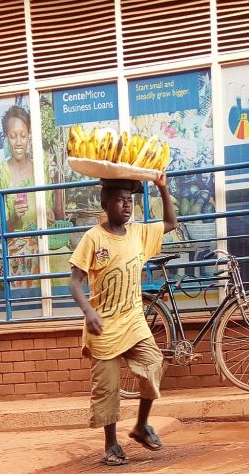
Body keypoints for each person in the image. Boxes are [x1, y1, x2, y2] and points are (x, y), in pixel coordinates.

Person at [69, 175, 178, 466]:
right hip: (103, 326)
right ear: (105, 204)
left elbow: (170, 223)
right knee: (107, 390)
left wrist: (162, 188)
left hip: (133, 320)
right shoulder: (93, 238)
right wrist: (88, 312)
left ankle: (141, 426)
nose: (127, 205)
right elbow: (74, 282)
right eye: (119, 199)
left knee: (153, 363)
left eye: (130, 200)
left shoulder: (139, 234)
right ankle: (111, 444)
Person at [0, 105, 54, 289]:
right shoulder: (0, 173)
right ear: (6, 137)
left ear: (29, 136)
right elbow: (0, 231)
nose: (18, 142)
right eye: (13, 135)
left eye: (23, 135)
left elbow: (48, 215)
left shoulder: (40, 169)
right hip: (16, 258)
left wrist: (48, 216)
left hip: (41, 251)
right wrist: (14, 217)